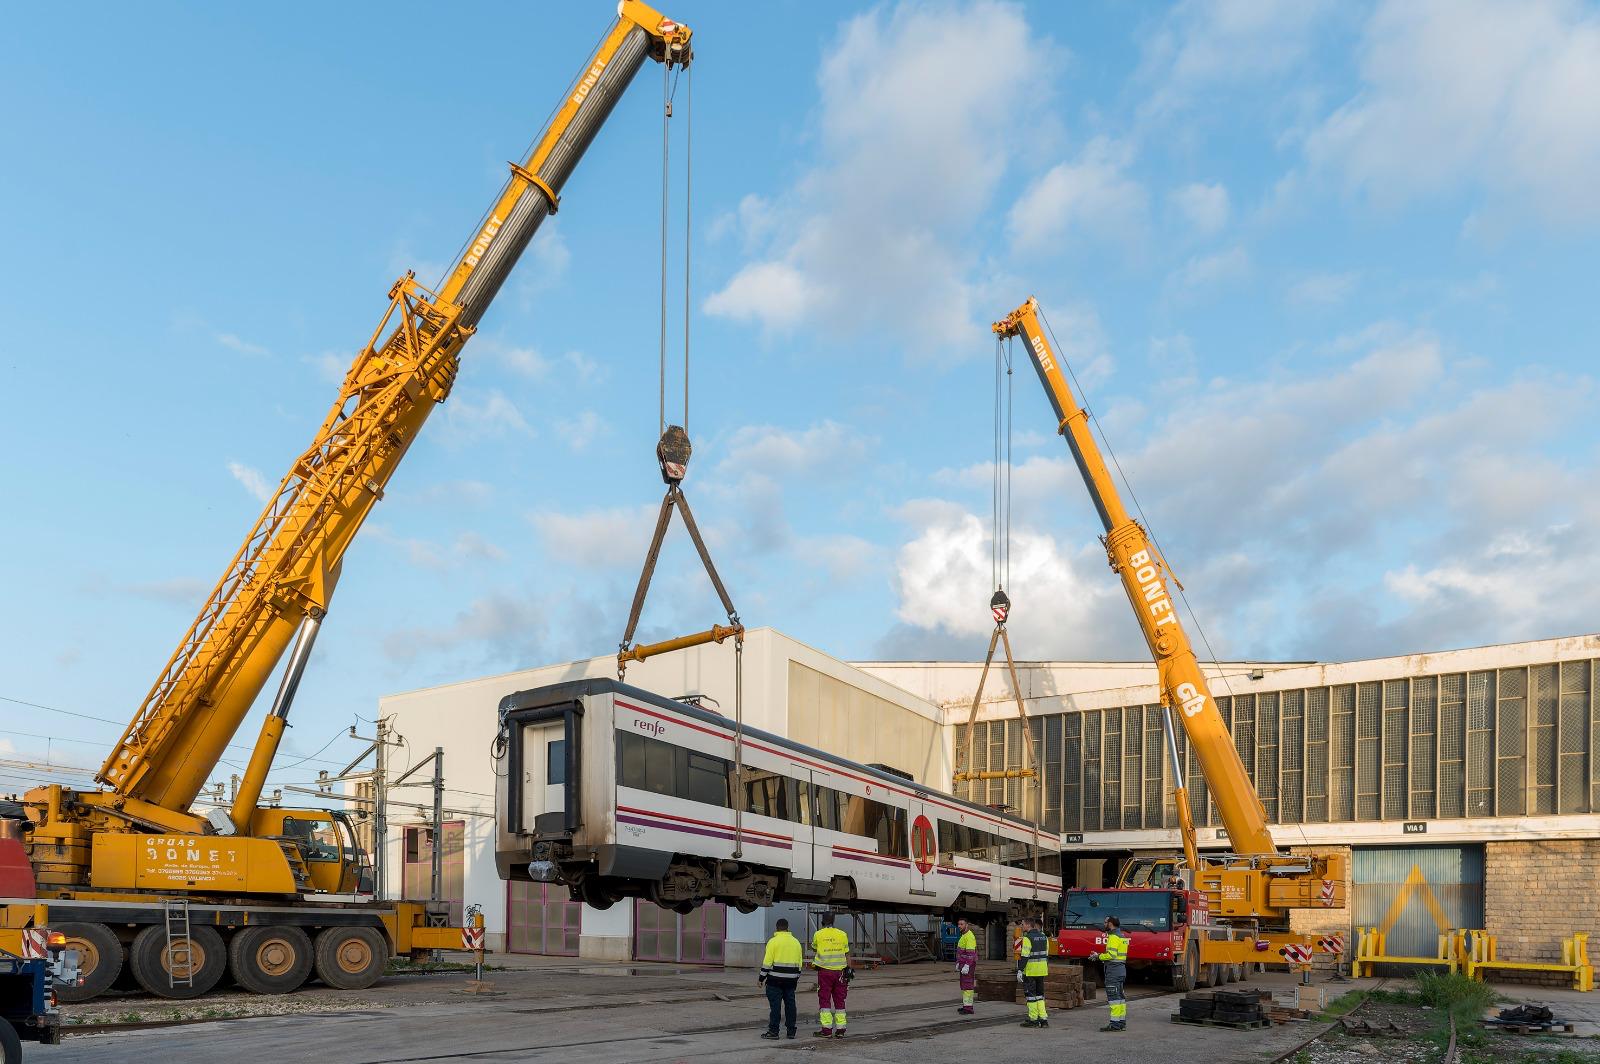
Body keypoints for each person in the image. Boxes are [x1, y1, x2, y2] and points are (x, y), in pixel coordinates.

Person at [758, 918, 802, 1040]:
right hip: (791, 980)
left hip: (774, 980)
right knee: (790, 1005)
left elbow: (767, 963)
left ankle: (773, 1031)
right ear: (787, 928)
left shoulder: (773, 942)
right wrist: (795, 977)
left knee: (775, 1006)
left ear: (777, 928)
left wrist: (761, 978)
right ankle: (791, 1031)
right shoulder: (796, 942)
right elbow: (799, 964)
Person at [811, 912, 851, 1037]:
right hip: (840, 972)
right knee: (840, 1000)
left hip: (825, 972)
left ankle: (827, 1030)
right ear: (834, 921)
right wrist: (849, 970)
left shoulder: (818, 934)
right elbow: (847, 954)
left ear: (823, 921)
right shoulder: (842, 934)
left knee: (825, 1000)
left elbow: (814, 948)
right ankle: (841, 1030)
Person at [1095, 915, 1131, 1032]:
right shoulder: (1122, 936)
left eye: (1105, 922)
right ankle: (1121, 1022)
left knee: (1114, 998)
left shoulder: (1113, 937)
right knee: (1120, 998)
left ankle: (1114, 1024)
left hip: (1113, 971)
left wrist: (1098, 956)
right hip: (1121, 970)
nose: (1104, 924)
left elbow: (1111, 955)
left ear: (1110, 923)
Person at [1017, 915, 1049, 1029]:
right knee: (1040, 995)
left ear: (1028, 925)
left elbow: (1025, 956)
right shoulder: (1044, 937)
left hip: (1030, 971)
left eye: (1022, 924)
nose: (1021, 926)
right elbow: (1046, 954)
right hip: (1042, 970)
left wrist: (1020, 970)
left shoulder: (1027, 938)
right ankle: (1043, 1019)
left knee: (1030, 996)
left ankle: (1033, 1019)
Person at [954, 917, 978, 1014]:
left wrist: (967, 965)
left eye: (962, 924)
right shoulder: (964, 935)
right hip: (963, 964)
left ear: (966, 925)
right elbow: (962, 952)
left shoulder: (969, 936)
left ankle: (968, 1008)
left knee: (968, 985)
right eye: (959, 924)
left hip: (968, 965)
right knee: (964, 986)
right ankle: (966, 1005)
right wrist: (958, 963)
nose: (959, 926)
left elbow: (971, 953)